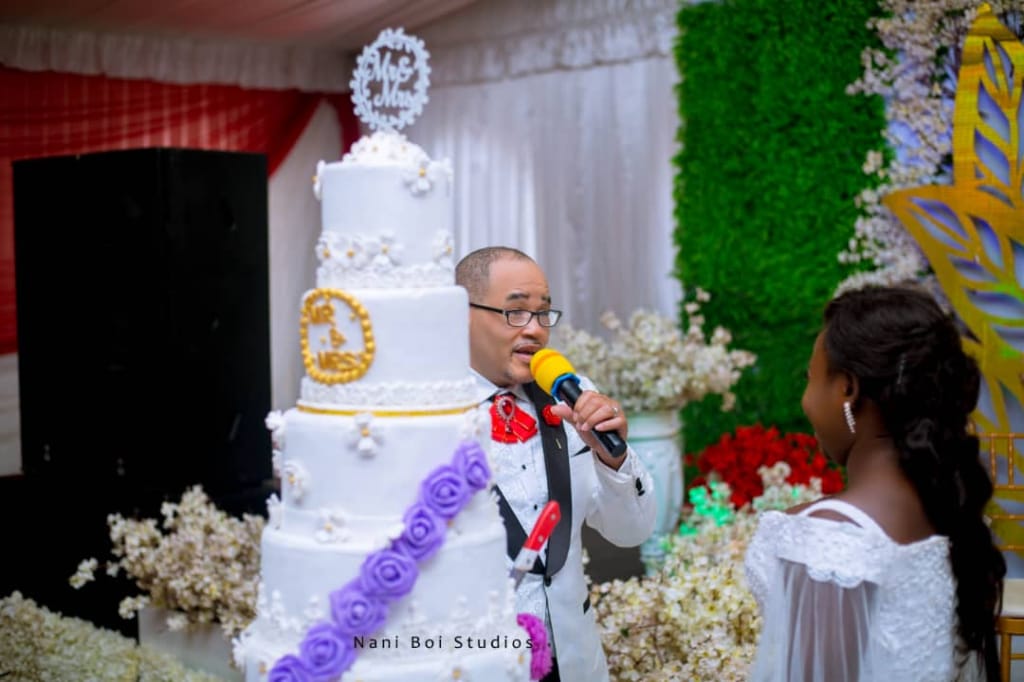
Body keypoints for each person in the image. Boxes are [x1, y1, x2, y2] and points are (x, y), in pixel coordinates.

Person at [744, 284, 1005, 681]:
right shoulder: (947, 509)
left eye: (810, 378)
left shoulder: (830, 545)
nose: (805, 400)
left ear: (847, 389)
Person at [456, 246, 657, 682]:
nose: (534, 329)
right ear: (461, 315)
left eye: (543, 313)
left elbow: (632, 532)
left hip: (574, 658)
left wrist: (613, 457)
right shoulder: (427, 415)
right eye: (515, 312)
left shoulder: (573, 395)